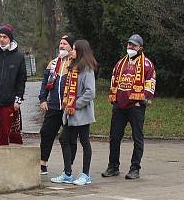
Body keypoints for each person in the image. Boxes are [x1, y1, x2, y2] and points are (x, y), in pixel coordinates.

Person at [102, 34, 156, 180]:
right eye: (129, 44)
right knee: (114, 137)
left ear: (140, 48)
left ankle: (135, 168)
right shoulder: (120, 63)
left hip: (136, 106)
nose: (130, 47)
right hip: (119, 106)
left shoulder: (147, 65)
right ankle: (113, 166)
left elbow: (150, 83)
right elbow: (114, 80)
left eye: (134, 45)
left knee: (137, 138)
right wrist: (114, 101)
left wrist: (144, 100)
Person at [51, 40, 97, 186]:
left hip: (81, 113)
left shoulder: (87, 69)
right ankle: (67, 173)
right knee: (64, 139)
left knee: (84, 142)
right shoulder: (72, 67)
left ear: (82, 52)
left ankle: (85, 174)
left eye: (75, 49)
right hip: (70, 112)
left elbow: (90, 92)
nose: (72, 51)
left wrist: (75, 104)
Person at [38, 34, 76, 175]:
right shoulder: (53, 63)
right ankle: (43, 164)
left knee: (69, 137)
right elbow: (44, 82)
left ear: (71, 46)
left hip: (68, 107)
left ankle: (68, 166)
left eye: (65, 44)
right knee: (46, 132)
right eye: (60, 43)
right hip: (53, 105)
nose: (61, 46)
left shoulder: (76, 63)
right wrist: (43, 99)